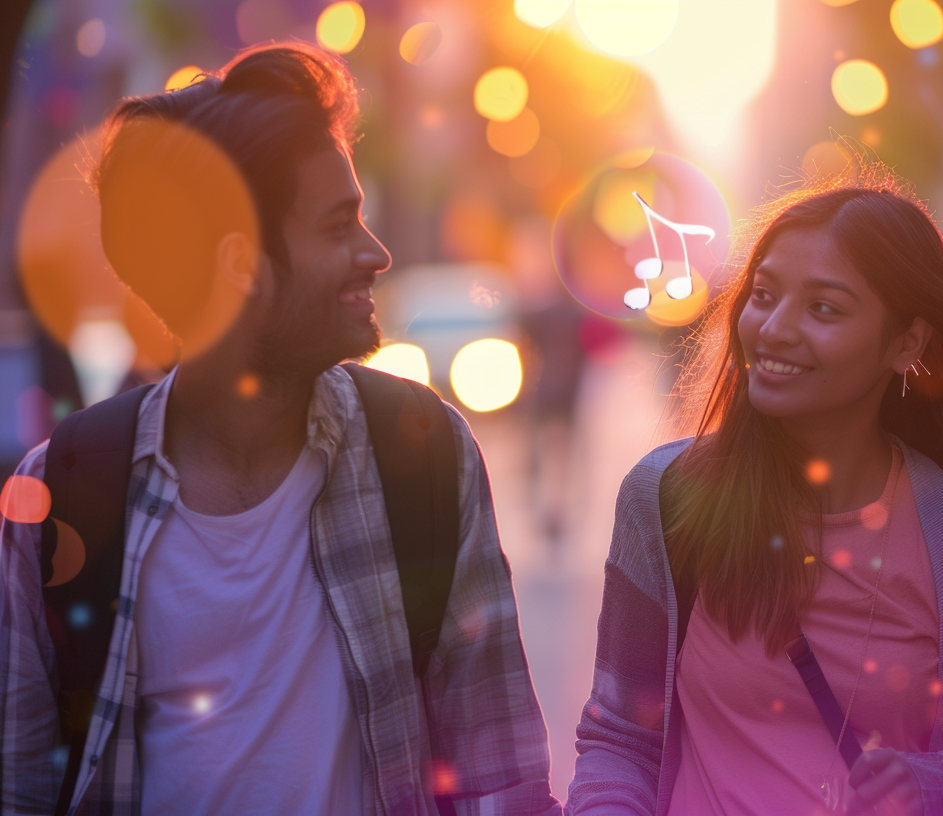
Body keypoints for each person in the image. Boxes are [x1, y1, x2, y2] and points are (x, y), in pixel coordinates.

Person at [0, 43, 559, 816]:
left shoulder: (424, 457)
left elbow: (501, 783)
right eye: (338, 226)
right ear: (242, 265)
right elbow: (20, 784)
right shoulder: (59, 492)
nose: (377, 253)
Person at [568, 165, 943, 816]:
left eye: (824, 308)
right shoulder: (667, 500)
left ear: (906, 341)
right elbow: (619, 739)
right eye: (764, 295)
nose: (772, 329)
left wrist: (936, 782)